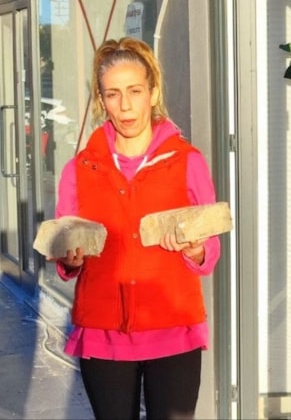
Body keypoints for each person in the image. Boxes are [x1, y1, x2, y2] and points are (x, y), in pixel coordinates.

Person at [48, 37, 221, 419]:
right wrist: (70, 260)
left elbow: (209, 249)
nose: (125, 105)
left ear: (153, 92)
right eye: (113, 94)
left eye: (135, 91)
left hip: (173, 329)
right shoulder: (78, 170)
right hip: (103, 333)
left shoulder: (188, 162)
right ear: (101, 99)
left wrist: (196, 250)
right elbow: (65, 252)